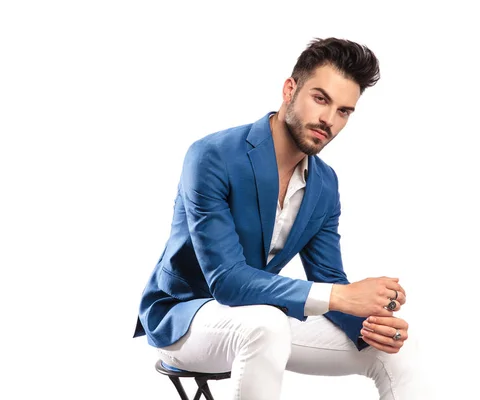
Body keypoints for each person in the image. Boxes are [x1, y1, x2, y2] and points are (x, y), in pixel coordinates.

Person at [133, 37, 420, 399]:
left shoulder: (325, 184)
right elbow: (227, 282)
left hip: (256, 317)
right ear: (290, 90)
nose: (328, 120)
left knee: (394, 348)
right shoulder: (212, 156)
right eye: (320, 98)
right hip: (183, 319)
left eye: (344, 111)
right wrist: (343, 297)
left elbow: (328, 279)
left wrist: (372, 323)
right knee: (266, 324)